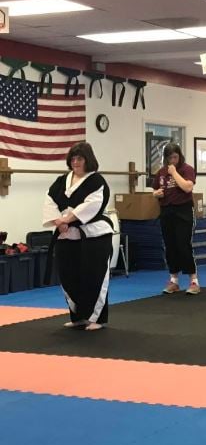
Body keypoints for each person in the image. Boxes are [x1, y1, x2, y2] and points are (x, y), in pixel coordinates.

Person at [42, 142, 113, 331]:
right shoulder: (61, 181)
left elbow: (91, 205)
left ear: (88, 160)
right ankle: (78, 316)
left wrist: (68, 219)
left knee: (94, 276)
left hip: (94, 237)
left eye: (79, 159)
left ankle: (97, 318)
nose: (75, 162)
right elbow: (50, 202)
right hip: (66, 236)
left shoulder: (96, 181)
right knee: (68, 276)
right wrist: (59, 221)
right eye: (72, 159)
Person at [152, 143, 200, 295]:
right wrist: (156, 194)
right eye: (170, 158)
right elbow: (155, 190)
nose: (173, 160)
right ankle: (174, 280)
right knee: (170, 246)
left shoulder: (186, 169)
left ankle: (193, 281)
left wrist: (174, 172)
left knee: (183, 244)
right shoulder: (160, 173)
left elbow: (187, 187)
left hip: (183, 211)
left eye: (175, 157)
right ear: (165, 158)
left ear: (179, 156)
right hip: (167, 211)